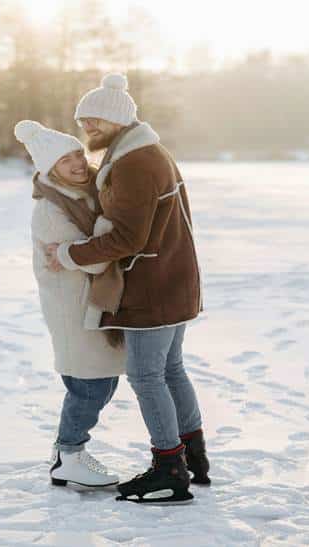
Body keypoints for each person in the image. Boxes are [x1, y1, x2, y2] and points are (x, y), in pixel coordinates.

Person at [46, 73, 210, 504]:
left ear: (118, 120)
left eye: (95, 121)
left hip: (152, 287)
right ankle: (193, 457)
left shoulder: (136, 162)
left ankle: (169, 467)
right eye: (84, 122)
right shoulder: (147, 152)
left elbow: (127, 238)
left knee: (146, 375)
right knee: (171, 370)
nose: (88, 130)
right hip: (175, 281)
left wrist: (69, 254)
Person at [14, 120, 126, 488]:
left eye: (78, 153)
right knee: (88, 385)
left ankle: (66, 451)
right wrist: (114, 226)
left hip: (91, 302)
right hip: (72, 307)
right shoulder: (51, 210)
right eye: (65, 160)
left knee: (103, 382)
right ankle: (69, 454)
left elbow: (85, 253)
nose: (78, 163)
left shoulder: (88, 192)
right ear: (51, 170)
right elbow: (92, 259)